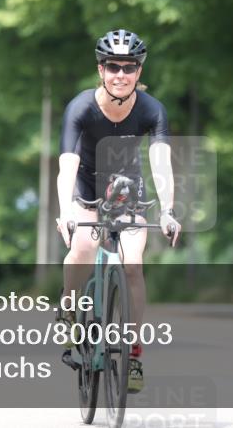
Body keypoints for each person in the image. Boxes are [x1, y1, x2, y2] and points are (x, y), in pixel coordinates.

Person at [55, 29, 181, 394]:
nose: (121, 74)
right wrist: (66, 211)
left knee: (131, 264)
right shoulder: (80, 108)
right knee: (83, 247)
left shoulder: (152, 110)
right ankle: (69, 309)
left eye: (129, 67)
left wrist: (169, 209)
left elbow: (160, 163)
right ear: (101, 69)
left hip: (127, 191)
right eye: (113, 66)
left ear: (139, 72)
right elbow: (66, 165)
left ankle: (134, 352)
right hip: (85, 188)